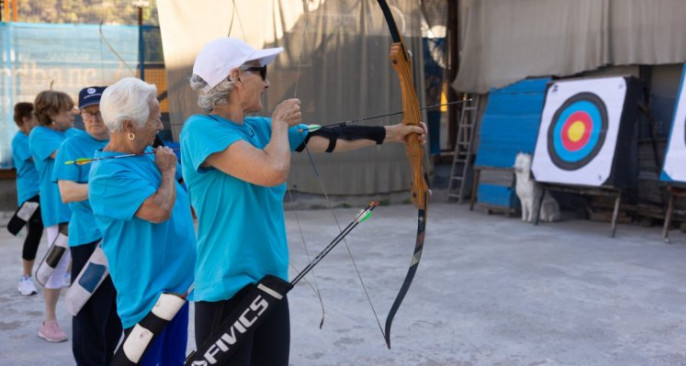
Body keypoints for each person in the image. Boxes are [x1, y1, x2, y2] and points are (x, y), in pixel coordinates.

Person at [181, 37, 426, 365]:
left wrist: (396, 133)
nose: (268, 82)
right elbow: (271, 171)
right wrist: (281, 126)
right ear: (235, 77)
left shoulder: (258, 127)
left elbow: (330, 138)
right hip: (226, 288)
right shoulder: (200, 130)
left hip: (269, 284)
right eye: (261, 71)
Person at [88, 77, 195, 365]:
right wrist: (169, 174)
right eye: (155, 118)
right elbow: (159, 210)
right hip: (149, 301)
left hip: (177, 291)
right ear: (129, 126)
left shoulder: (149, 156)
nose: (160, 126)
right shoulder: (109, 175)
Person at [53, 86, 122, 365]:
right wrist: (108, 187)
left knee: (117, 310)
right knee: (88, 310)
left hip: (121, 237)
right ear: (79, 114)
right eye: (87, 112)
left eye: (99, 112)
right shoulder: (71, 145)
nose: (93, 118)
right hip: (89, 241)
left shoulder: (123, 141)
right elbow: (68, 192)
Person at [29, 90, 80, 342]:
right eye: (66, 109)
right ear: (50, 114)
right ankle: (49, 321)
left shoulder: (73, 134)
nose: (73, 113)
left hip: (83, 209)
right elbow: (68, 157)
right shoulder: (40, 135)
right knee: (56, 266)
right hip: (59, 212)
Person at [11, 102, 43, 296]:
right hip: (30, 194)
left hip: (46, 192)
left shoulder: (34, 136)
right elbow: (37, 157)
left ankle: (64, 273)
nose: (38, 121)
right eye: (35, 117)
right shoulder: (20, 140)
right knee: (34, 234)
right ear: (25, 120)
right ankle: (26, 277)